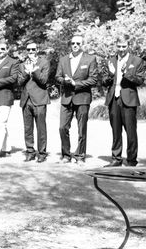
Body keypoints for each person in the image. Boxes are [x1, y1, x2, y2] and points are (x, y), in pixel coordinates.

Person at [101, 34, 146, 167]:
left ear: (128, 46)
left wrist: (125, 73)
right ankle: (116, 158)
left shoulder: (137, 61)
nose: (121, 49)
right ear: (116, 46)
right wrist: (111, 73)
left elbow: (140, 81)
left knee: (131, 131)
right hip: (114, 99)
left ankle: (131, 160)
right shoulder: (110, 60)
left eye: (124, 46)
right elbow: (103, 82)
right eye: (119, 46)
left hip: (129, 99)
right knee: (115, 130)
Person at [55, 34, 98, 164]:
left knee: (81, 129)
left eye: (78, 43)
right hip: (66, 97)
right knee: (62, 128)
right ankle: (66, 155)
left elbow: (93, 79)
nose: (75, 45)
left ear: (82, 45)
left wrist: (76, 84)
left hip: (82, 98)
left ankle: (80, 156)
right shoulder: (63, 60)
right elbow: (57, 77)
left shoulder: (90, 59)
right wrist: (65, 81)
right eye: (73, 43)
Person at [19, 42, 50, 162]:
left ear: (37, 49)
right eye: (28, 50)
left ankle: (42, 153)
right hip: (26, 100)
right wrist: (27, 73)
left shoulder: (44, 62)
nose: (30, 52)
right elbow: (19, 82)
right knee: (27, 128)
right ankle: (30, 151)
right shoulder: (22, 65)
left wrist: (35, 71)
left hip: (39, 99)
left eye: (33, 49)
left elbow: (44, 80)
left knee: (41, 128)